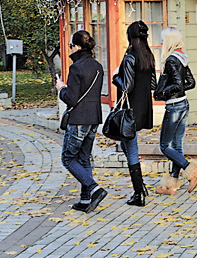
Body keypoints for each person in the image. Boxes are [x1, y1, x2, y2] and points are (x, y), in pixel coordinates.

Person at [56, 30, 107, 213]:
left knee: (68, 158)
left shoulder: (76, 67)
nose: (71, 49)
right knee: (84, 157)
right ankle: (85, 200)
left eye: (71, 46)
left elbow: (71, 98)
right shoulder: (98, 66)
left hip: (79, 119)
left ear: (77, 47)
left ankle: (94, 189)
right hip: (94, 118)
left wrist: (61, 88)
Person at [154, 27, 197, 196]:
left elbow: (179, 85)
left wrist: (164, 93)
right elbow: (191, 82)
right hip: (183, 104)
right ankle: (171, 186)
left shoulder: (171, 60)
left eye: (163, 39)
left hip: (174, 106)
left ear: (170, 41)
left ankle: (190, 169)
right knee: (176, 146)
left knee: (164, 146)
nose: (161, 42)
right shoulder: (182, 58)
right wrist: (175, 90)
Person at [113, 20, 156, 206]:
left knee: (130, 149)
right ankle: (140, 188)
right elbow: (153, 84)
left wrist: (116, 78)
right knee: (127, 145)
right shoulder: (149, 56)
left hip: (129, 110)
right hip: (143, 108)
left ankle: (139, 193)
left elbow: (127, 87)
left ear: (130, 37)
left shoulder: (131, 57)